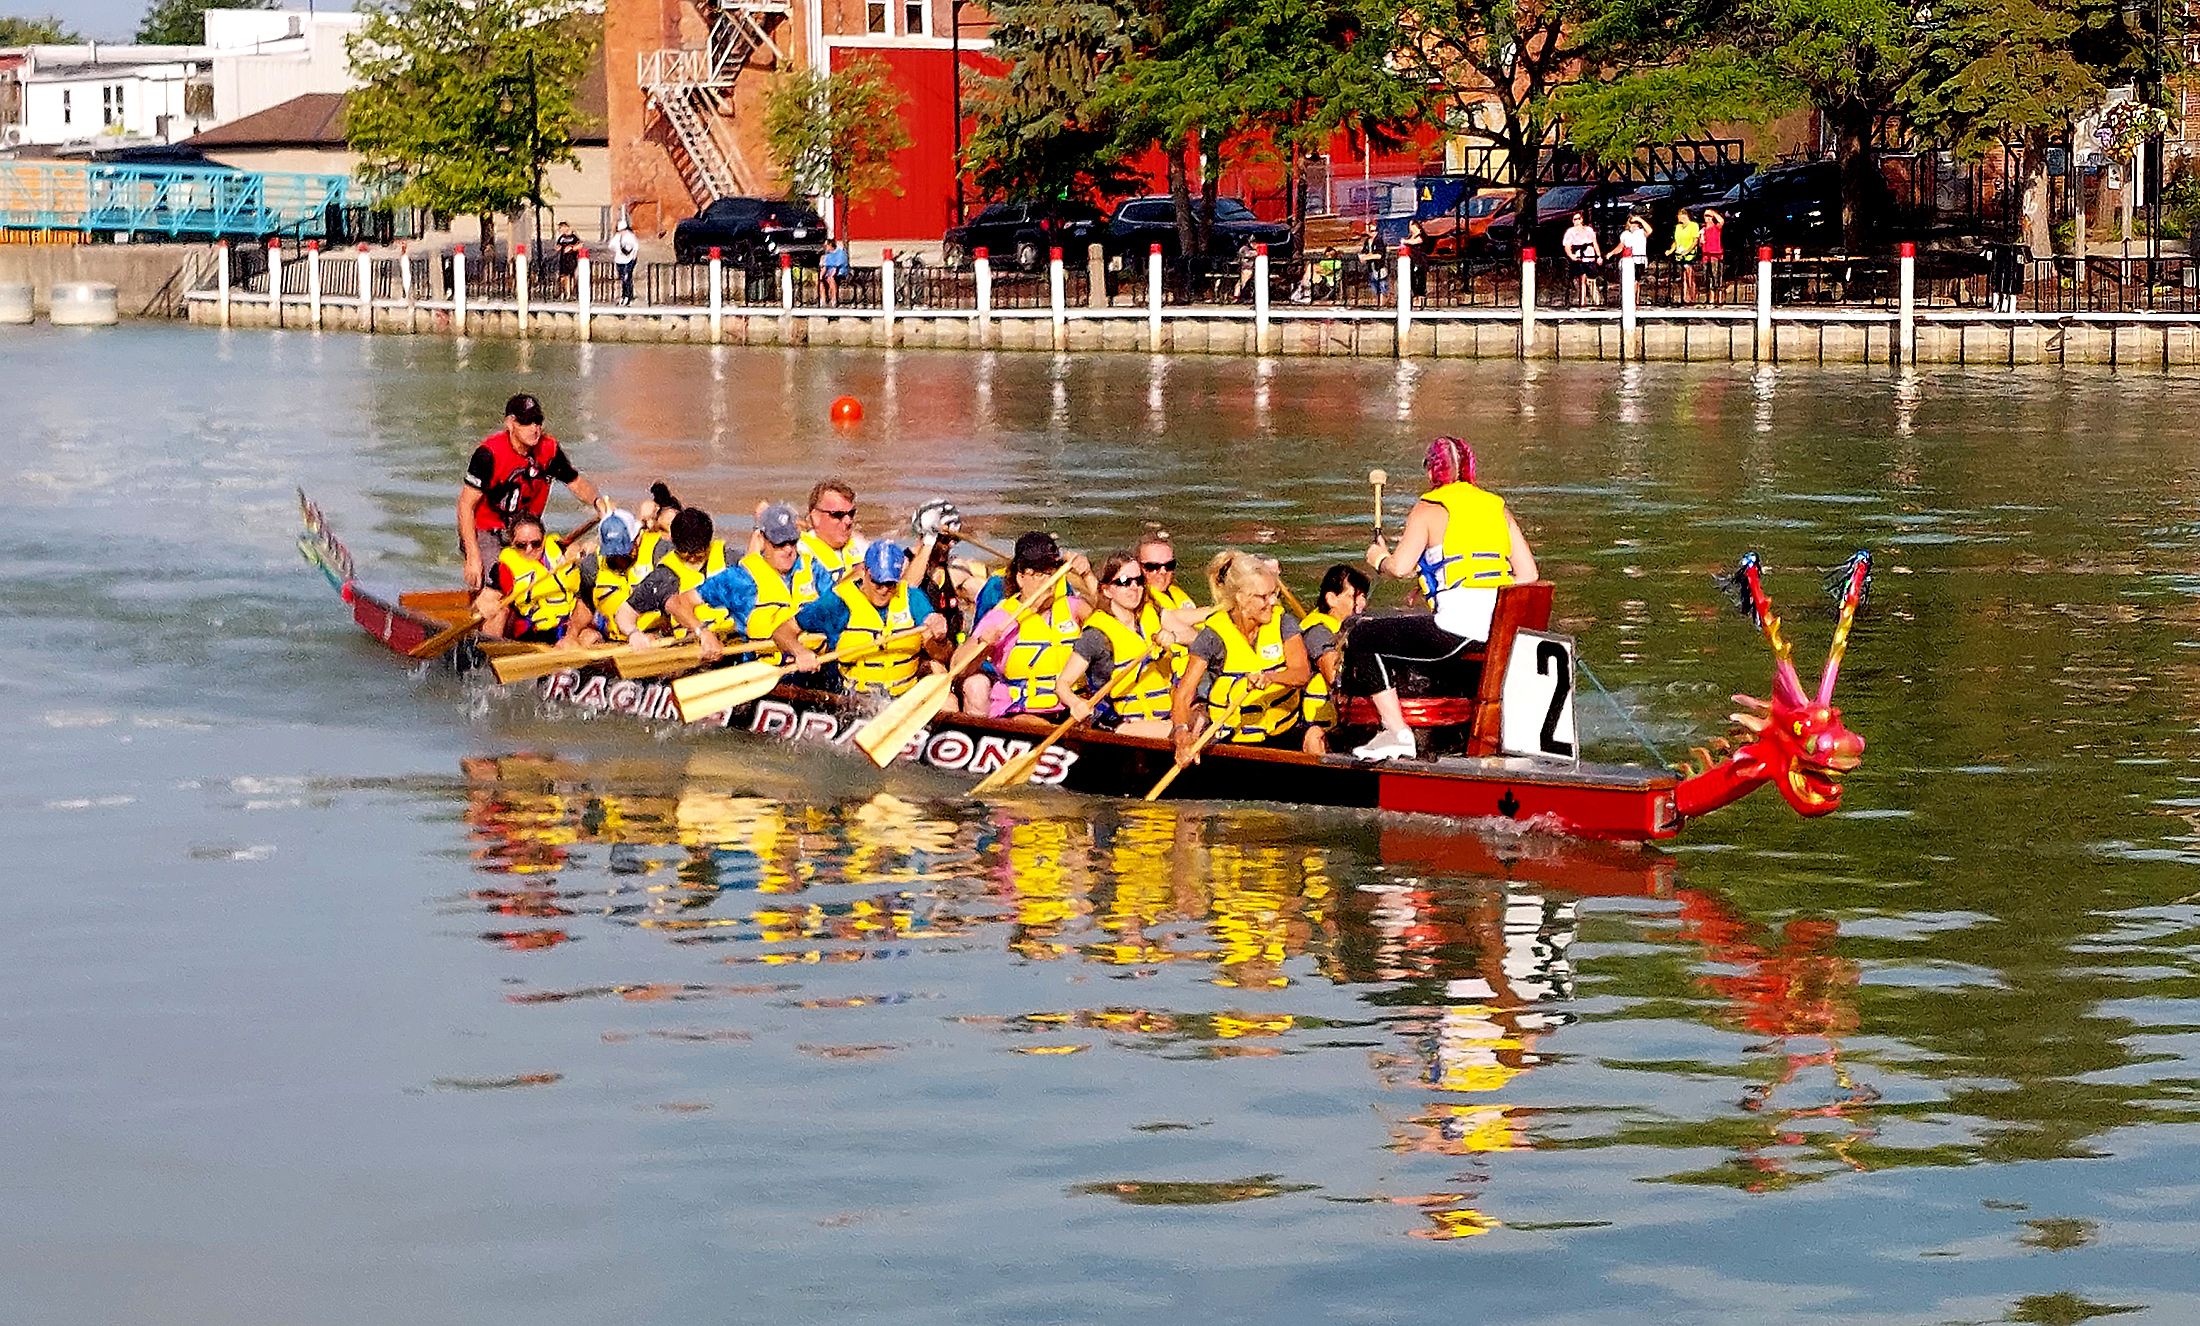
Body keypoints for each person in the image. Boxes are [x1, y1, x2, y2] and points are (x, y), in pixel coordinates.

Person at [1352, 435, 1540, 762]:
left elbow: (1399, 567)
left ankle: (1395, 732)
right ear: (1470, 469)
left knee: (1364, 636)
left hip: (1457, 633)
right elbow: (1528, 575)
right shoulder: (1496, 507)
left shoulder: (1428, 508)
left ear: (1432, 474)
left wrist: (1378, 557)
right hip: (1499, 634)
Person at [1169, 550, 1313, 767]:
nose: (1272, 602)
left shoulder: (1283, 622)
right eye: (1264, 597)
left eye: (1274, 593)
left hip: (1285, 732)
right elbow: (1183, 694)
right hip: (1233, 738)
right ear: (1241, 598)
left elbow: (1302, 673)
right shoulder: (1213, 636)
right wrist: (1181, 734)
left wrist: (1271, 678)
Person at [457, 392, 612, 592]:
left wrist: (599, 503)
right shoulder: (488, 455)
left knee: (561, 577)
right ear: (510, 423)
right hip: (487, 531)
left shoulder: (549, 449)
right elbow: (465, 505)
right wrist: (473, 556)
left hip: (527, 531)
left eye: (538, 421)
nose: (534, 429)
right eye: (527, 422)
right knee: (501, 583)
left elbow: (575, 482)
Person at [947, 532, 1090, 719]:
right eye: (1039, 574)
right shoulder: (1002, 616)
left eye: (1051, 572)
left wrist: (1088, 576)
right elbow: (958, 666)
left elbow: (1112, 621)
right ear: (1021, 578)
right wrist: (982, 644)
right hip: (1022, 711)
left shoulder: (1074, 607)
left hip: (1073, 707)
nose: (1049, 581)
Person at [802, 541, 951, 699]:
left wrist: (940, 639)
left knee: (948, 700)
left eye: (890, 584)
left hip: (905, 699)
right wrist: (800, 652)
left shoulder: (913, 598)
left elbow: (943, 655)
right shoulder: (838, 602)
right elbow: (784, 629)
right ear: (865, 571)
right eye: (878, 583)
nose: (884, 590)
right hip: (856, 701)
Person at [1055, 552, 1177, 738]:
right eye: (1124, 582)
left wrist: (1173, 636)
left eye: (1139, 581)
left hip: (1162, 716)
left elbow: (1194, 636)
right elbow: (1062, 684)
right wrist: (1075, 703)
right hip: (1117, 721)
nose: (1134, 587)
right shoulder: (1096, 636)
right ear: (1106, 590)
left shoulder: (1151, 618)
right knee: (1179, 732)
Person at [614, 506, 737, 654]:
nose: (692, 557)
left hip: (733, 644)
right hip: (692, 650)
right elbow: (625, 612)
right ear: (675, 544)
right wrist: (634, 634)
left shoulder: (730, 560)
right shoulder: (665, 576)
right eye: (685, 551)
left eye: (698, 551)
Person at [1298, 563, 1370, 755]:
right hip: (1322, 726)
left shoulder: (1357, 630)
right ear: (1331, 599)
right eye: (1352, 596)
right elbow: (1333, 676)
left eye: (1363, 596)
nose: (1361, 603)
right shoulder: (1318, 632)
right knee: (1315, 735)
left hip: (1351, 719)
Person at [472, 514, 578, 643]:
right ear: (512, 543)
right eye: (521, 545)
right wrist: (484, 605)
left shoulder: (563, 552)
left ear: (544, 539)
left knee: (592, 637)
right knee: (497, 613)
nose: (529, 550)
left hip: (572, 626)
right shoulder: (505, 568)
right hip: (535, 632)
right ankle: (489, 656)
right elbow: (486, 598)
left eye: (536, 543)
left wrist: (587, 550)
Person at [567, 508, 648, 646]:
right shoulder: (591, 566)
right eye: (613, 554)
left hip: (653, 635)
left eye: (624, 552)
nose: (619, 559)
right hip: (614, 637)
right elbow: (586, 605)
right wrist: (571, 636)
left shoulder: (659, 553)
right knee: (587, 638)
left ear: (637, 538)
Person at [798, 479, 866, 590]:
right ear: (816, 517)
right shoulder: (800, 554)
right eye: (838, 514)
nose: (848, 521)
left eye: (851, 514)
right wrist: (853, 578)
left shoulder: (860, 544)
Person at [1561, 211, 1601, 307]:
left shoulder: (1589, 230)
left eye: (1579, 219)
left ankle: (1597, 301)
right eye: (1575, 219)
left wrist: (1599, 256)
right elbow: (1567, 246)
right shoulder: (1570, 232)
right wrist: (1571, 256)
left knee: (1592, 280)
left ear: (1582, 219)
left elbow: (1595, 243)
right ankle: (1582, 303)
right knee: (1582, 278)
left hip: (1590, 257)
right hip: (1579, 258)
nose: (1577, 221)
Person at [1604, 214, 1650, 297]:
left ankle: (1635, 300)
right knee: (1629, 281)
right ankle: (1630, 299)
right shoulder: (1625, 234)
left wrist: (1640, 219)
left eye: (1636, 223)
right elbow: (1620, 246)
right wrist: (1611, 253)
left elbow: (1650, 230)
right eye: (1632, 222)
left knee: (1636, 280)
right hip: (1628, 260)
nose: (1634, 225)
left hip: (1639, 259)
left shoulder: (1641, 232)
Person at [1669, 208, 1702, 306]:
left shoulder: (1693, 225)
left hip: (1689, 253)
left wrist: (1688, 250)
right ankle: (1685, 297)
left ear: (1684, 215)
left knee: (1689, 274)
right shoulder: (1678, 227)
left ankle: (1692, 297)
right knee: (1682, 276)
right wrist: (1671, 250)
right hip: (1679, 253)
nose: (1678, 217)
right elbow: (1675, 240)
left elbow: (1695, 240)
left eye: (1679, 215)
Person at [611, 219, 641, 306]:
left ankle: (627, 296)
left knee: (626, 278)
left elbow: (636, 247)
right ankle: (625, 295)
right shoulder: (618, 237)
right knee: (623, 278)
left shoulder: (629, 236)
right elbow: (611, 245)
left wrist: (632, 256)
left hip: (628, 260)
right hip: (620, 260)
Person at [1700, 208, 1726, 297]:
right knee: (1707, 277)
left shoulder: (1716, 227)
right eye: (1705, 216)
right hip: (1706, 254)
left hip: (1716, 254)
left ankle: (1719, 298)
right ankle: (1710, 298)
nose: (1707, 218)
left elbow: (1721, 221)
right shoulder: (1703, 229)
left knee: (1717, 277)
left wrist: (1713, 213)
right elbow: (1701, 242)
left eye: (1709, 216)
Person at [1360, 222, 1389, 301]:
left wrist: (1367, 257)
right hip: (1371, 268)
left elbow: (1379, 255)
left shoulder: (1379, 240)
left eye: (1375, 230)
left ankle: (1382, 303)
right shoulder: (1367, 241)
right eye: (1371, 231)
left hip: (1380, 267)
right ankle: (1378, 303)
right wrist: (1364, 256)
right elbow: (1363, 253)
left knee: (1382, 287)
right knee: (1374, 287)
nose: (1374, 232)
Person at [1401, 219, 1430, 297]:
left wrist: (1405, 241)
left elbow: (1416, 241)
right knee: (1411, 279)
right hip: (1411, 261)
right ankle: (1413, 294)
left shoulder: (1421, 236)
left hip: (1420, 261)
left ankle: (1420, 295)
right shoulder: (1410, 236)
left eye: (1411, 226)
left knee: (1420, 278)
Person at [554, 221, 581, 300]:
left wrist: (571, 248)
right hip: (563, 259)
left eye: (562, 227)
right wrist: (558, 248)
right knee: (563, 276)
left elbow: (579, 245)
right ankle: (565, 292)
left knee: (571, 276)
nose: (561, 230)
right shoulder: (561, 237)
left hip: (571, 259)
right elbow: (557, 246)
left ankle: (571, 293)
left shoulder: (573, 237)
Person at [820, 238, 849, 306]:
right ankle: (823, 300)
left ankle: (834, 299)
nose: (825, 247)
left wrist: (831, 275)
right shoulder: (827, 255)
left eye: (826, 246)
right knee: (821, 281)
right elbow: (825, 266)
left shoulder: (840, 253)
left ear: (830, 245)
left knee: (831, 278)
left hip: (840, 272)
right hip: (830, 272)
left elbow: (837, 266)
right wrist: (821, 276)